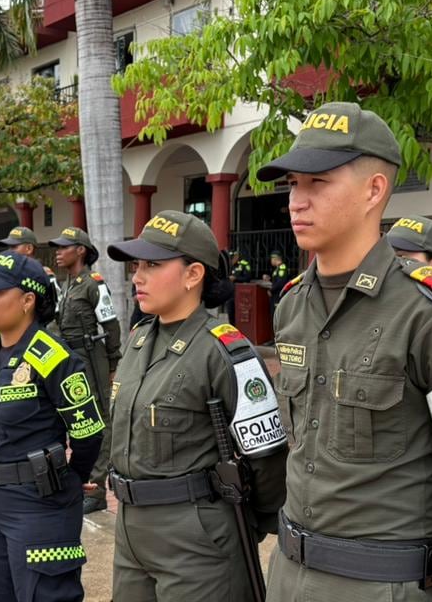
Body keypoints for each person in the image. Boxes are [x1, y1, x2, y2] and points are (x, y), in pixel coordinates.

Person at [258, 101, 432, 601]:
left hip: (384, 583)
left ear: (374, 190)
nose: (297, 201)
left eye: (318, 182)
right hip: (290, 572)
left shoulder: (431, 311)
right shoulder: (292, 305)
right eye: (293, 184)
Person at [105, 210, 287, 600]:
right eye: (137, 265)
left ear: (193, 274)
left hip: (194, 535)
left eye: (153, 265)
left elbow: (266, 456)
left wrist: (244, 523)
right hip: (131, 528)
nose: (137, 277)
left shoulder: (226, 351)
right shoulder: (138, 339)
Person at [0, 252, 105, 601]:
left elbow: (88, 432)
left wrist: (70, 480)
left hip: (39, 502)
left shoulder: (53, 356)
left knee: (45, 594)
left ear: (27, 301)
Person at [48, 226, 121, 515]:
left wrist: (113, 363)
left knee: (99, 419)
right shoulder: (67, 284)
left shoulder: (94, 283)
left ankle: (97, 488)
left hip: (92, 357)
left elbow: (111, 324)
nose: (58, 252)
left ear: (80, 250)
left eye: (64, 247)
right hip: (72, 356)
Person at [0, 226, 60, 309]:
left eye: (14, 247)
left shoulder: (45, 275)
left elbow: (56, 308)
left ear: (29, 248)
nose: (9, 251)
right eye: (9, 247)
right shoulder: (7, 274)